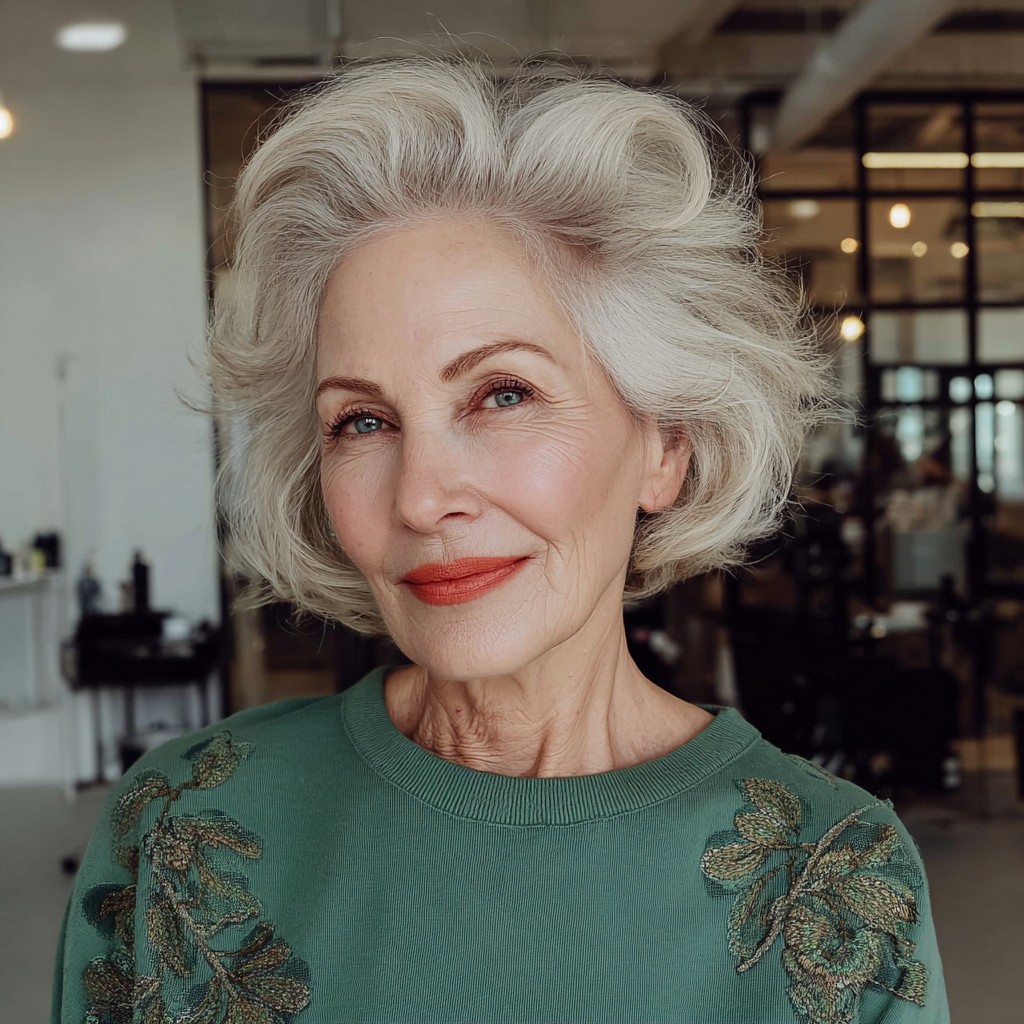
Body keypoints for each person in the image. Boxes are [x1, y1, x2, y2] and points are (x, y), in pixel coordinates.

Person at [51, 54, 950, 1024]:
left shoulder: (835, 880)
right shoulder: (179, 826)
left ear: (665, 445)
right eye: (362, 420)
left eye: (503, 394)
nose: (420, 497)